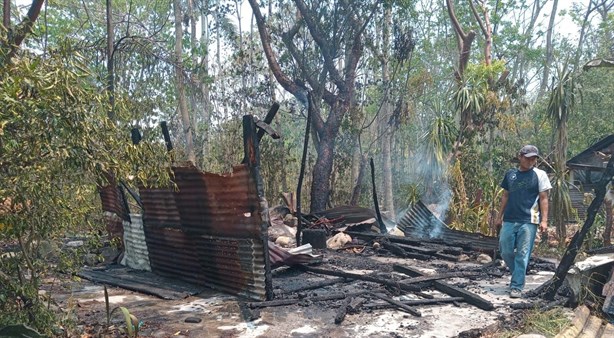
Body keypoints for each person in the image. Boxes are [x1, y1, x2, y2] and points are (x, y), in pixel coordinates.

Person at [495, 145, 552, 298]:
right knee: (505, 250)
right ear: (520, 156)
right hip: (509, 218)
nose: (531, 161)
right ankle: (518, 275)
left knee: (522, 253)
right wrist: (499, 216)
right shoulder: (510, 174)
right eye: (528, 158)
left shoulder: (540, 175)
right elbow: (505, 195)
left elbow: (544, 198)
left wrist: (544, 220)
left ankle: (517, 286)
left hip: (529, 219)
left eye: (534, 158)